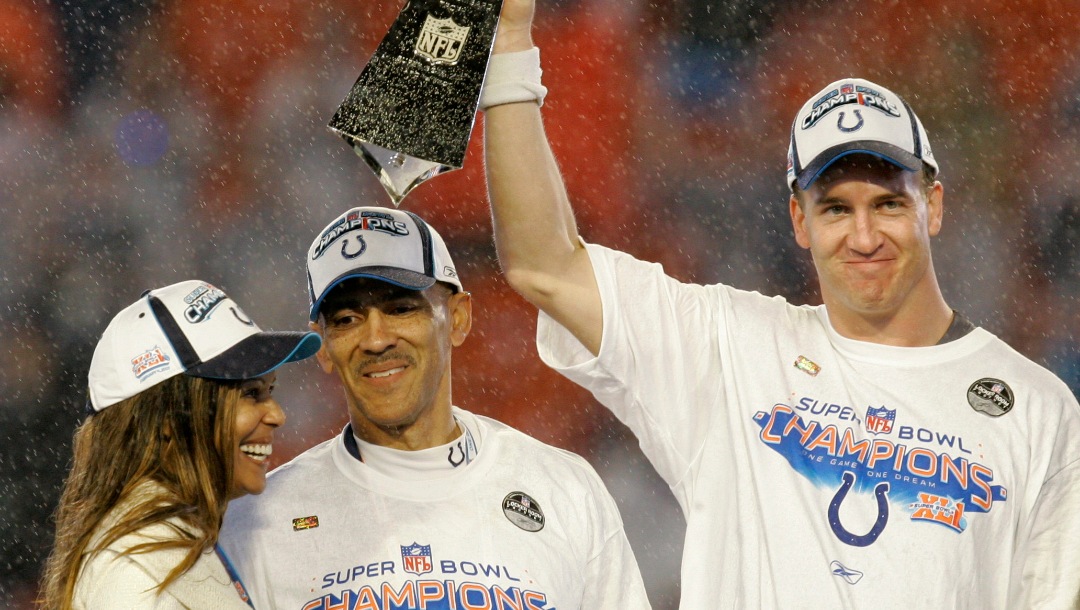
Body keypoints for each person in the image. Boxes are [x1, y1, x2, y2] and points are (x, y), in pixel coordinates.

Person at [479, 1, 1080, 608]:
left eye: (890, 204)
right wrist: (508, 45)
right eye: (836, 208)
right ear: (799, 220)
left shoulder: (1037, 411)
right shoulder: (730, 349)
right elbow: (543, 263)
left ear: (935, 203)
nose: (865, 236)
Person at [218, 206, 651, 609]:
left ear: (458, 319)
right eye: (347, 319)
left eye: (401, 308)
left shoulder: (565, 490)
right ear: (324, 347)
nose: (376, 339)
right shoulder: (255, 524)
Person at [37, 280, 321, 609]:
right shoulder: (137, 574)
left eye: (269, 391)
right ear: (168, 419)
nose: (276, 415)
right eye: (250, 393)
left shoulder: (174, 546)